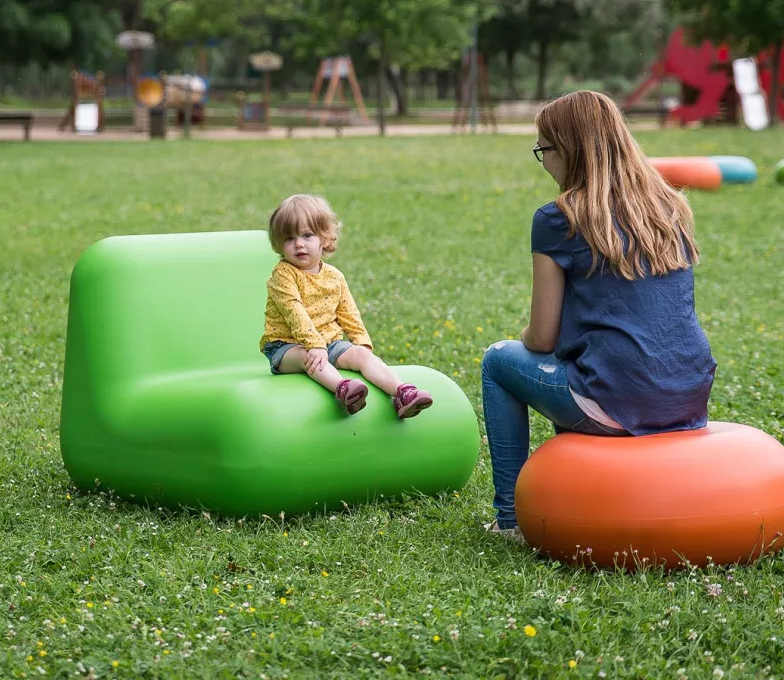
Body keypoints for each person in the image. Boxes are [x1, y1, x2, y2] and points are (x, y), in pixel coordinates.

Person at [483, 91, 716, 539]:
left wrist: (525, 339)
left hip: (617, 401)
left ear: (567, 149)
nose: (544, 162)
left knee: (498, 361)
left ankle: (510, 518)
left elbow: (542, 338)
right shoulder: (671, 207)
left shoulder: (557, 219)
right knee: (586, 358)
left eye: (543, 150)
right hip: (689, 396)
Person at [260, 194, 433, 418]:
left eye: (307, 235)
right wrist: (314, 346)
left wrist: (361, 343)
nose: (299, 244)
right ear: (279, 244)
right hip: (286, 347)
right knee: (307, 357)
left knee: (361, 355)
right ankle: (343, 390)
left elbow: (348, 312)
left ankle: (403, 393)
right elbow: (294, 311)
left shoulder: (334, 276)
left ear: (325, 238)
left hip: (329, 343)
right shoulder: (283, 275)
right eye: (289, 238)